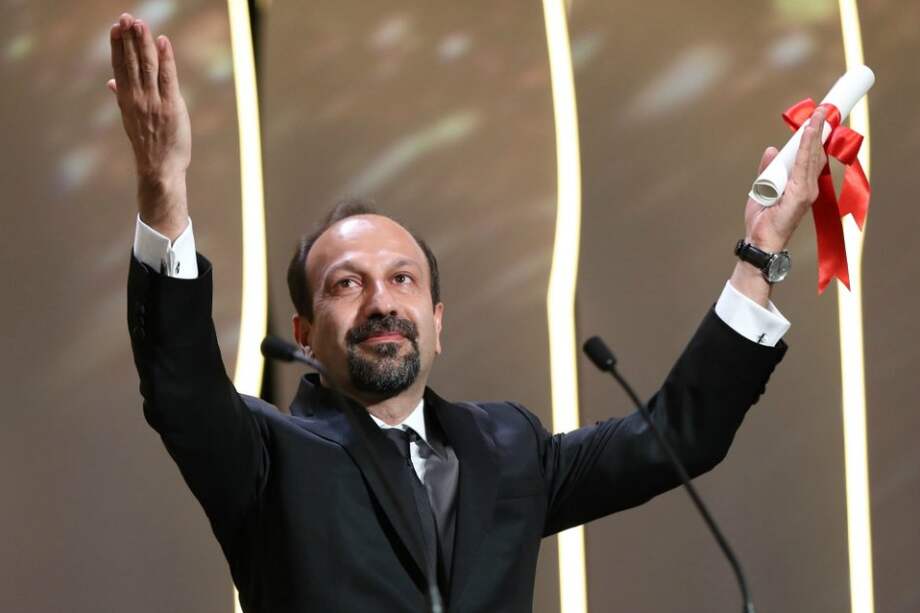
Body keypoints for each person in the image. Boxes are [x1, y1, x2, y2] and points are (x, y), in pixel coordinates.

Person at [110, 11, 827, 613]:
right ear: (304, 335)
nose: (382, 300)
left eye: (402, 278)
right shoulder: (265, 457)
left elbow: (678, 432)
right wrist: (162, 188)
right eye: (346, 285)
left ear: (438, 320)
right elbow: (180, 386)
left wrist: (760, 253)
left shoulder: (507, 447)